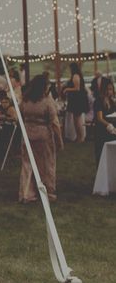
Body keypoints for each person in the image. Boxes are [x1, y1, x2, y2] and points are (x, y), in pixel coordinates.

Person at [19, 75, 63, 203]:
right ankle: (48, 192)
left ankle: (26, 193)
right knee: (47, 164)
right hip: (44, 135)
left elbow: (19, 117)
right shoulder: (47, 101)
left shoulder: (25, 100)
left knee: (27, 164)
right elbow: (54, 122)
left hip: (27, 134)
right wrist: (59, 140)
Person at [62, 62, 88, 143]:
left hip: (77, 101)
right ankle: (79, 137)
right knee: (76, 120)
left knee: (77, 120)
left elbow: (77, 88)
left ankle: (80, 138)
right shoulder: (76, 75)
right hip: (76, 100)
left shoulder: (75, 76)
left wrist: (67, 89)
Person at [94, 82, 116, 165]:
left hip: (111, 130)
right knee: (102, 153)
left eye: (110, 89)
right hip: (102, 130)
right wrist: (109, 125)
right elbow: (99, 118)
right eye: (107, 89)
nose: (109, 92)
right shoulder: (98, 101)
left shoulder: (112, 101)